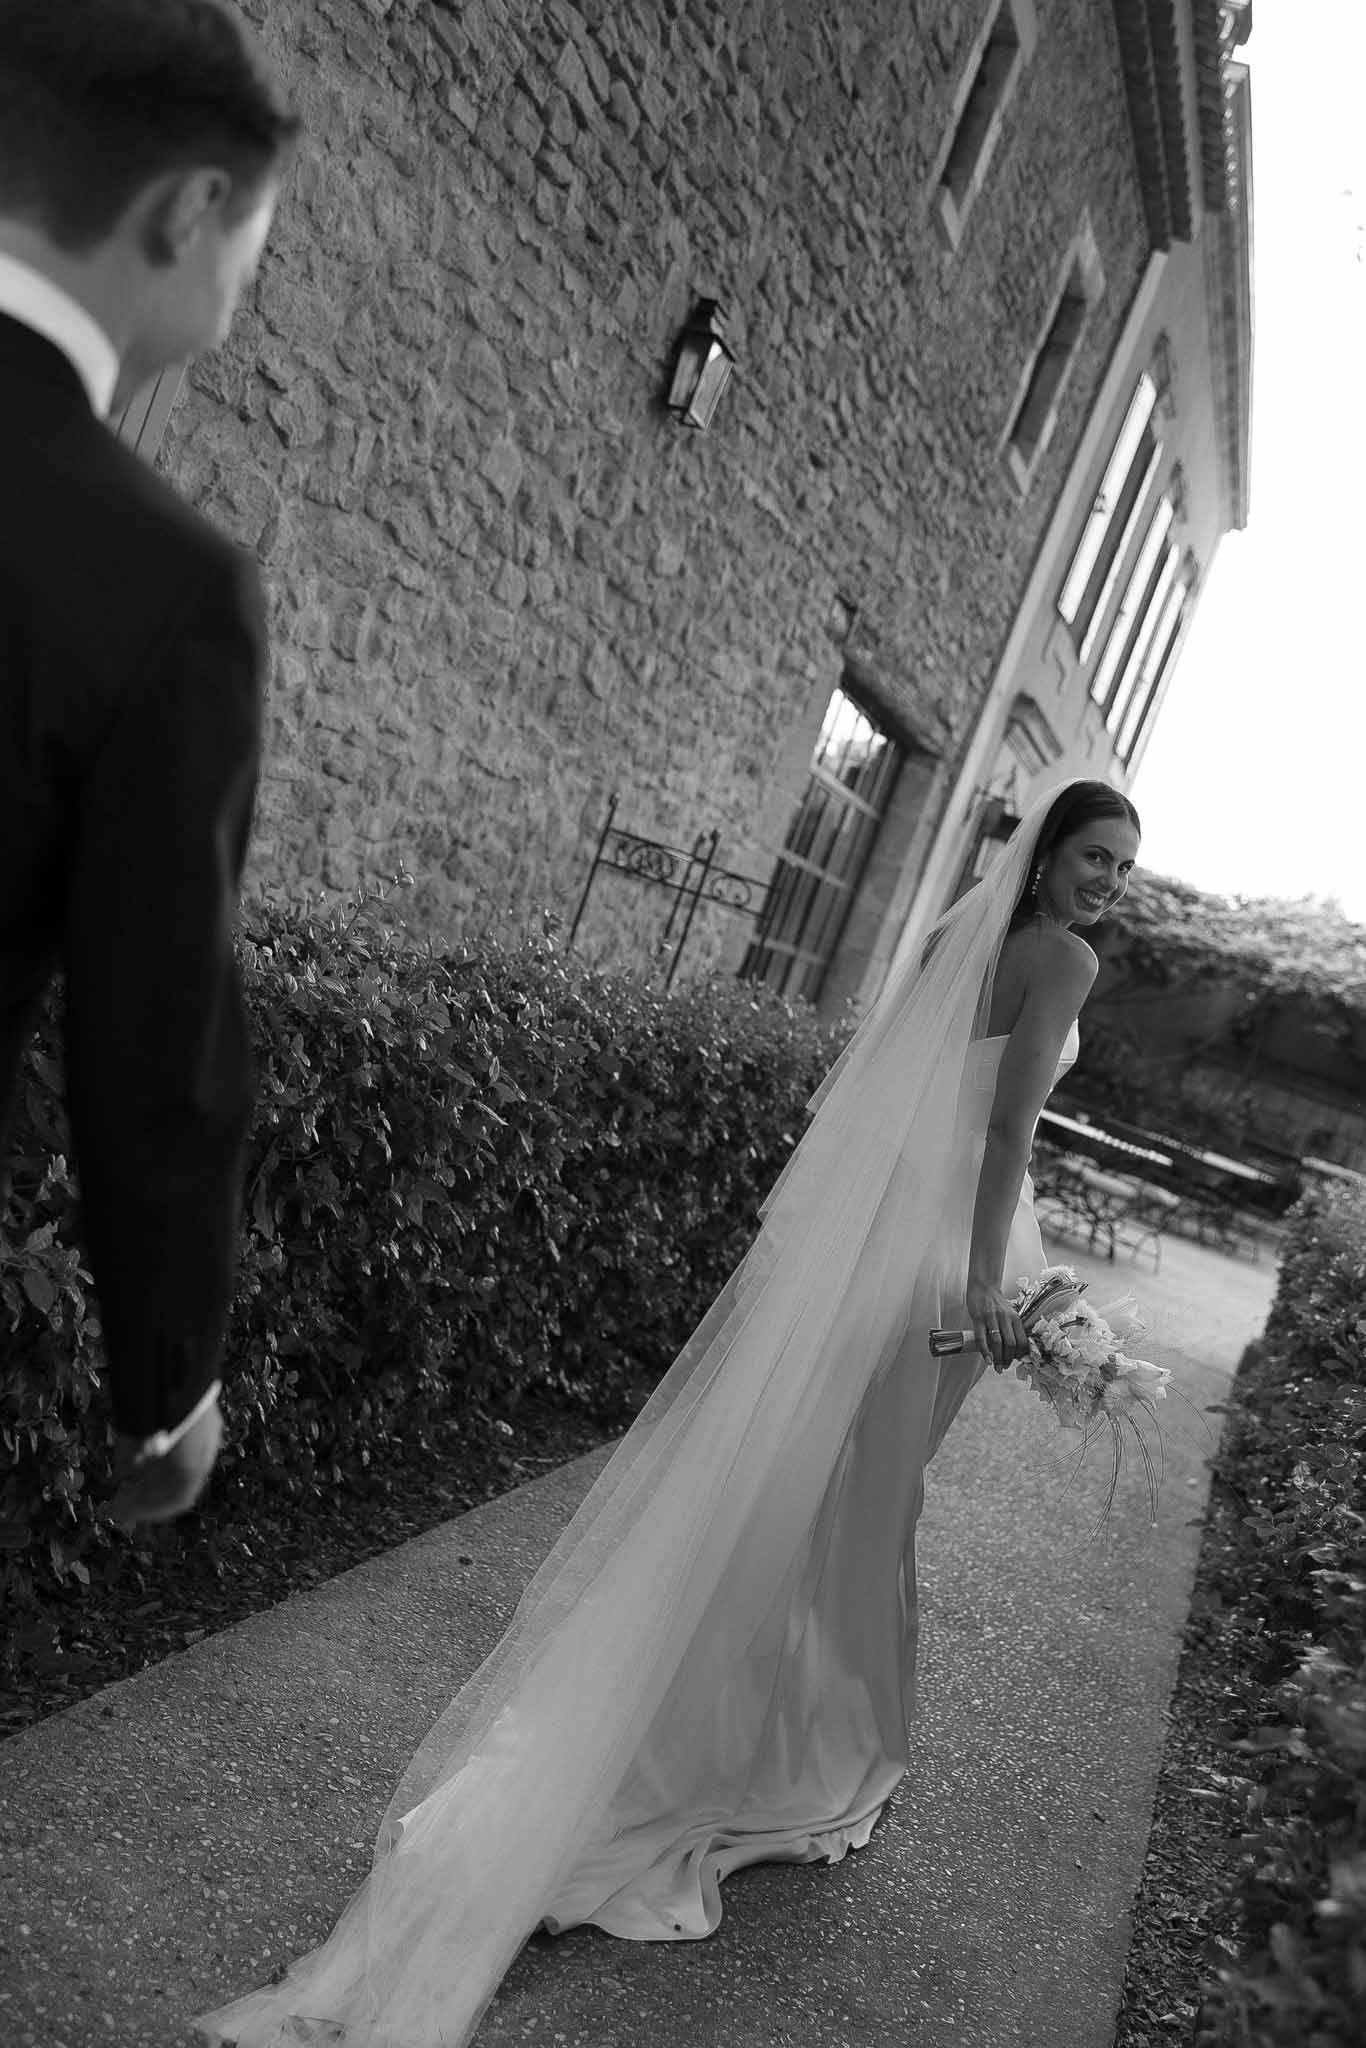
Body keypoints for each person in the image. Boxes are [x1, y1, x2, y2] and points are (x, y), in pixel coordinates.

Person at [196, 777, 1141, 2048]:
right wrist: (988, 1281)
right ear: (1048, 854)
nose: (1107, 883)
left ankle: (736, 1724)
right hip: (942, 1265)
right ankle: (795, 1749)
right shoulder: (1065, 961)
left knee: (802, 1495)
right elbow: (1009, 1131)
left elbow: (889, 1102)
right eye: (1096, 855)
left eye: (1124, 868)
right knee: (868, 1512)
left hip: (874, 1249)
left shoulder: (948, 939)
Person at [0, 0, 299, 1527]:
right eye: (257, 240)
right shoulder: (160, 582)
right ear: (192, 211)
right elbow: (157, 1023)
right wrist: (166, 1381)